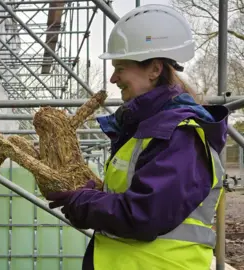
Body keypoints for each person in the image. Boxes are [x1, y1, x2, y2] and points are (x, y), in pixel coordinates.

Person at [45, 4, 228, 270]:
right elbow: (141, 193)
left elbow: (146, 213)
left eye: (120, 67)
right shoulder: (147, 129)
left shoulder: (181, 135)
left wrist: (83, 203)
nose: (113, 77)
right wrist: (95, 193)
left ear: (154, 69)